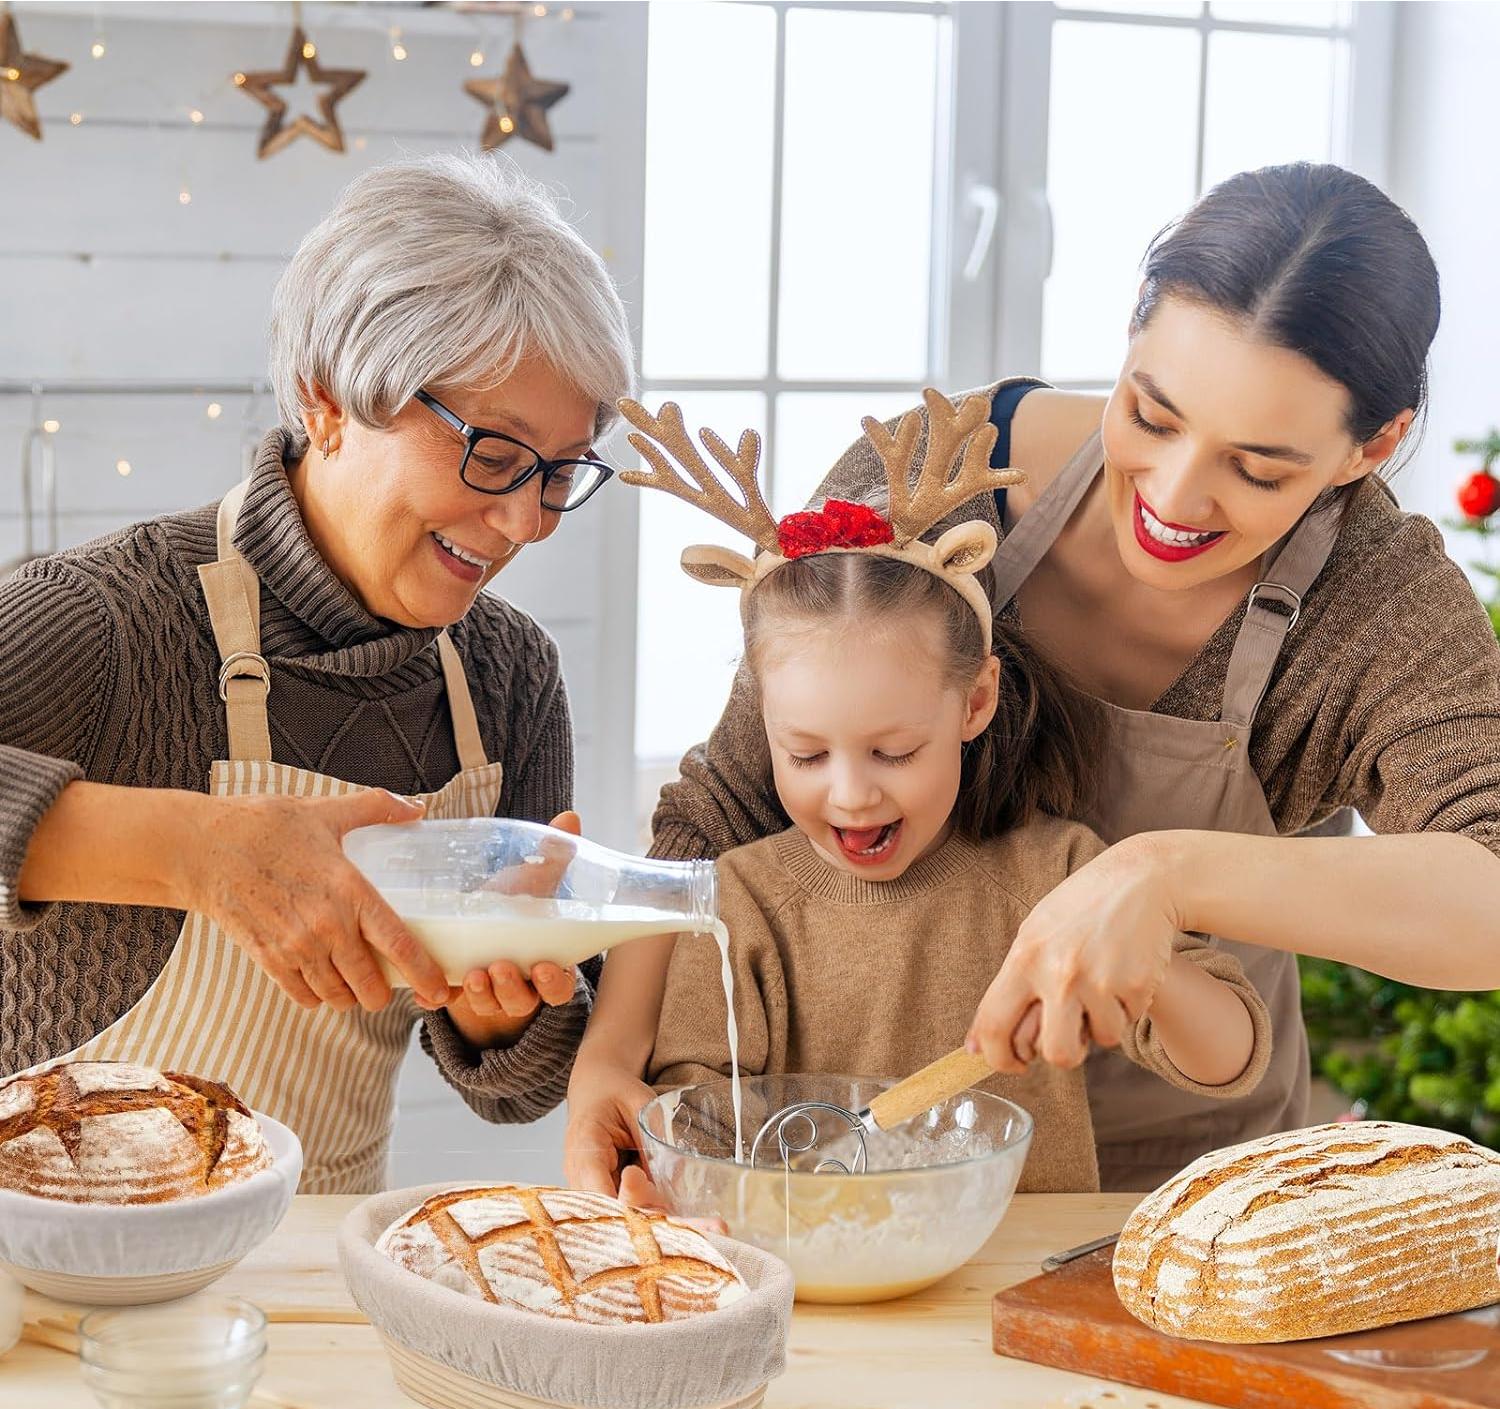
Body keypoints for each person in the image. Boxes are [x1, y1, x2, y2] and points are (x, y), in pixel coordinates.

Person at [568, 161, 1500, 1193]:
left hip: (1186, 1181)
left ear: (1371, 447)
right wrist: (613, 1054)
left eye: (1258, 466)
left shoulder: (1375, 605)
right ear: (1131, 338)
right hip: (880, 1161)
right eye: (1150, 414)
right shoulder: (946, 476)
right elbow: (727, 804)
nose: (1175, 495)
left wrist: (1162, 875)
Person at [0, 152, 634, 1192]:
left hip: (314, 1275)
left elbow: (510, 1090)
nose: (528, 521)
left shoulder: (510, 676)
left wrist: (493, 1006)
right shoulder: (106, 622)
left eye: (564, 470)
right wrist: (196, 851)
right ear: (330, 397)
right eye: (495, 452)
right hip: (51, 1271)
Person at [611, 393, 1268, 1196]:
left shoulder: (1058, 878)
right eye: (807, 754)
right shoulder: (743, 907)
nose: (851, 795)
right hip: (820, 1295)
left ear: (975, 703)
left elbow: (1229, 1056)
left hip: (1023, 1281)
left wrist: (1144, 963)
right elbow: (691, 1123)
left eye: (894, 751)